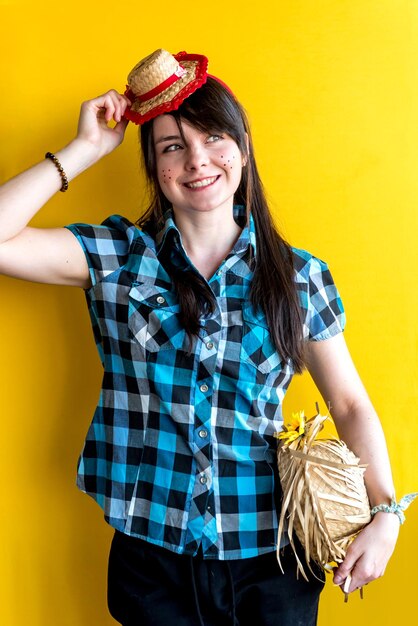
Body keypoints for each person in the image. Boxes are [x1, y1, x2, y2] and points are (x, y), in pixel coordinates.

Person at [0, 49, 404, 626]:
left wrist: (386, 514)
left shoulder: (297, 277)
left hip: (275, 559)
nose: (197, 161)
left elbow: (349, 404)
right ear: (155, 164)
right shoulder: (118, 256)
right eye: (172, 146)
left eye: (214, 137)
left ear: (241, 146)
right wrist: (82, 150)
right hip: (152, 558)